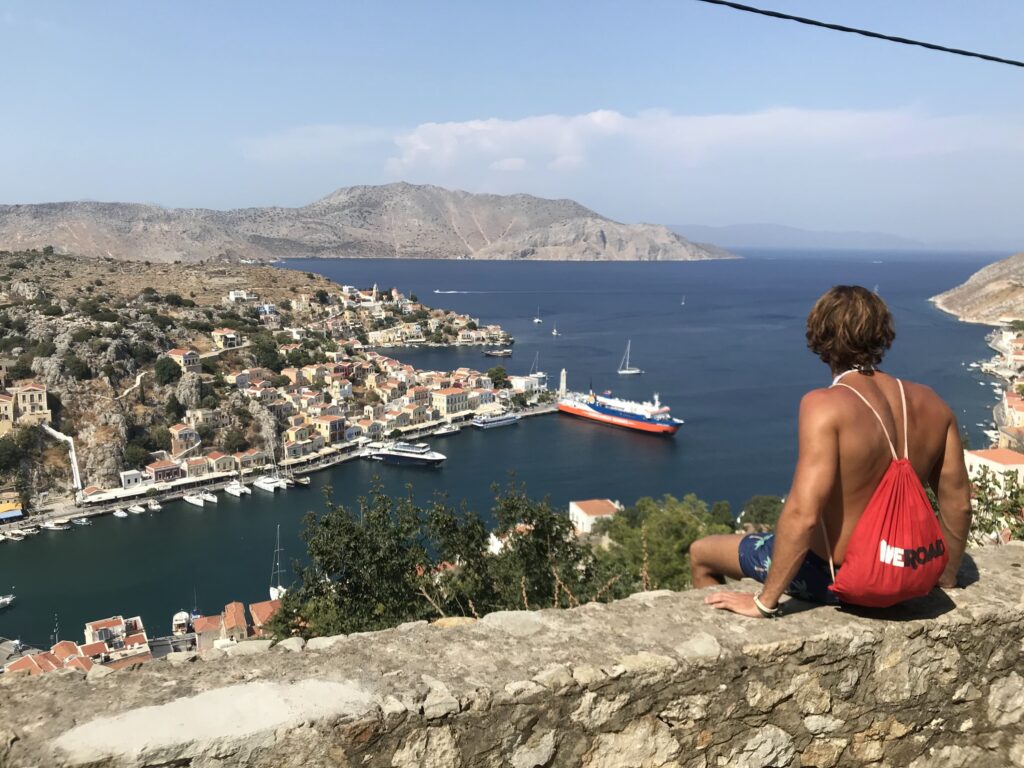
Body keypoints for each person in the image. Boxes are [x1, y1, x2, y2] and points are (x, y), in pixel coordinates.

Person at [690, 285, 972, 617]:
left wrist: (764, 601)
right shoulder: (933, 403)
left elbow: (803, 514)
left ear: (820, 338)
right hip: (911, 571)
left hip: (837, 576)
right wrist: (946, 577)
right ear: (882, 334)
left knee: (701, 552)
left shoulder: (824, 406)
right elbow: (959, 503)